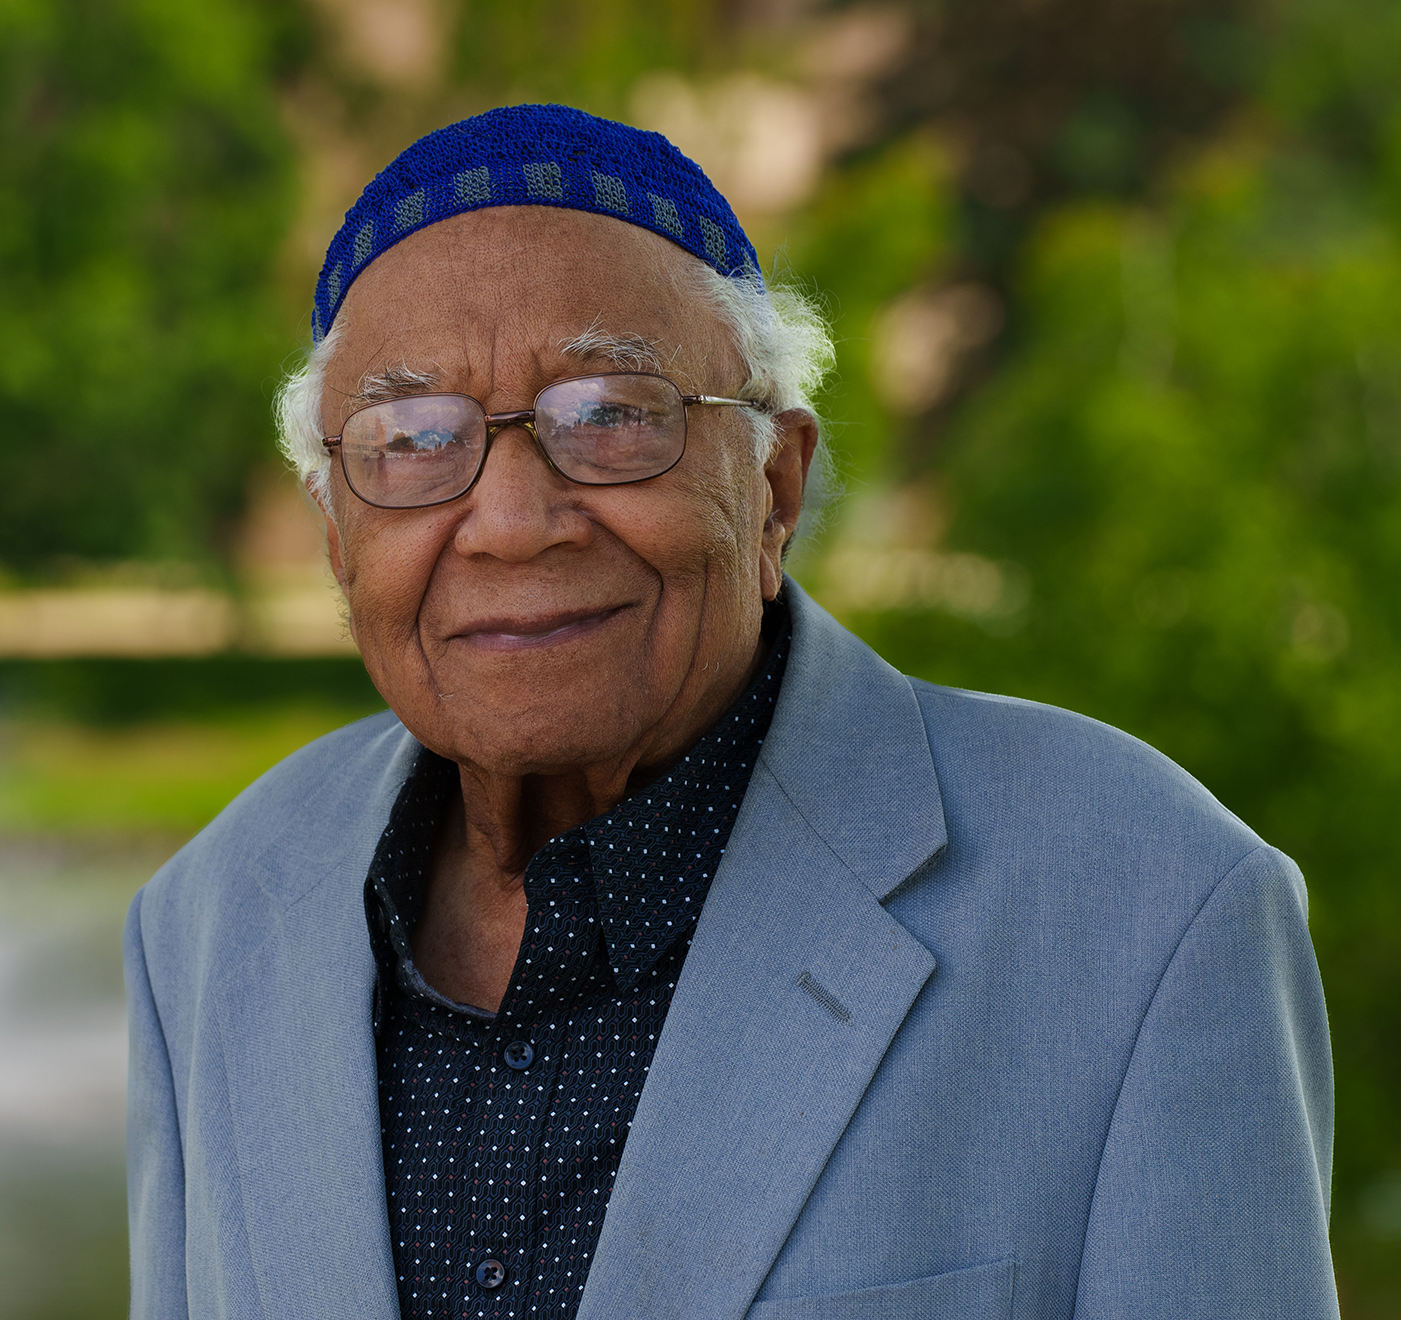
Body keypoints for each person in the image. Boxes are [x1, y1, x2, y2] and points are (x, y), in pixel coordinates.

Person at [124, 104, 1337, 1319]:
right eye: (411, 440)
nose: (510, 523)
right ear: (337, 536)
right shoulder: (206, 920)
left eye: (610, 415)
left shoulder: (1149, 902)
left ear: (774, 488)